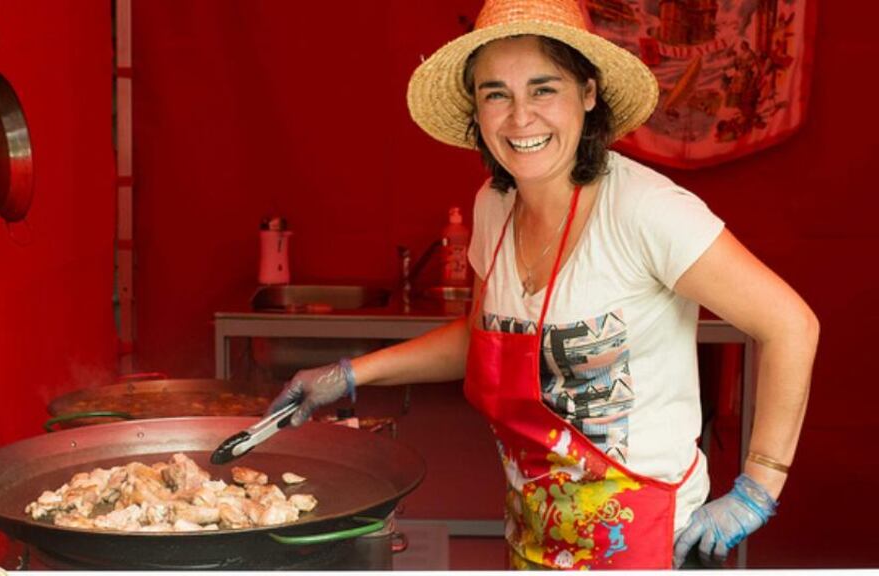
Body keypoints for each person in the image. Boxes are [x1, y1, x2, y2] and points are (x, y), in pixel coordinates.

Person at [267, 0, 817, 569]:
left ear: (588, 92)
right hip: (534, 540)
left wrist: (758, 488)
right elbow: (483, 336)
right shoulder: (494, 207)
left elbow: (791, 325)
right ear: (476, 110)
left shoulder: (646, 211)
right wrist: (351, 374)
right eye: (496, 94)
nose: (520, 117)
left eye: (543, 89)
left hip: (649, 548)